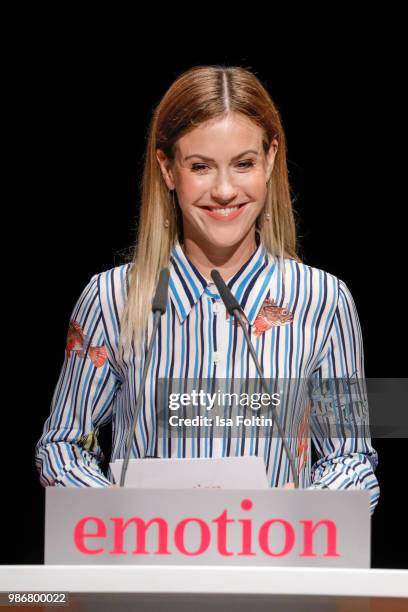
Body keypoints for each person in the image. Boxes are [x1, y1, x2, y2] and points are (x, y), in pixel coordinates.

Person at [35, 65, 380, 515]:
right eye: (201, 167)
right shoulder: (112, 298)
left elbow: (351, 459)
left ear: (271, 159)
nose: (223, 190)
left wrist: (297, 519)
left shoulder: (325, 301)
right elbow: (61, 447)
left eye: (244, 163)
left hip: (276, 574)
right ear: (168, 168)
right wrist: (127, 520)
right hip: (143, 574)